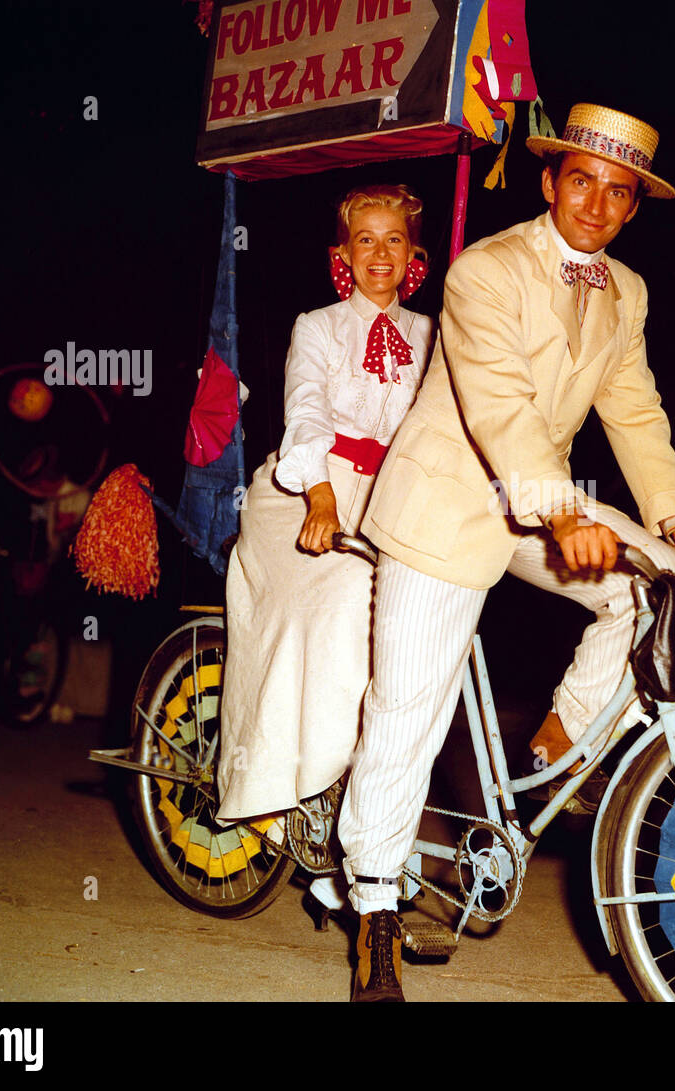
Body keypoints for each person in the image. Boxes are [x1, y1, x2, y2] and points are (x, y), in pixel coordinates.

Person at [336, 104, 675, 1002]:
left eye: (618, 192)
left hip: (535, 498)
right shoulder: (485, 271)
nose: (595, 204)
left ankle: (560, 744)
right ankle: (374, 911)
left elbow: (633, 409)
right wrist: (561, 514)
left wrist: (674, 521)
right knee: (408, 710)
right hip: (447, 499)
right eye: (581, 181)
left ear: (634, 208)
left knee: (666, 590)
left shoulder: (625, 291)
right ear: (551, 181)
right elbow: (502, 407)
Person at [215, 185, 433, 865]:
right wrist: (319, 497)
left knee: (417, 621)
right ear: (342, 254)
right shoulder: (317, 326)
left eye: (393, 239)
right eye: (364, 239)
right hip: (306, 488)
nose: (379, 253)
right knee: (343, 598)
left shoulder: (432, 334)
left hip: (386, 498)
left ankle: (367, 793)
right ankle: (281, 779)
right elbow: (305, 413)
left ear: (413, 255)